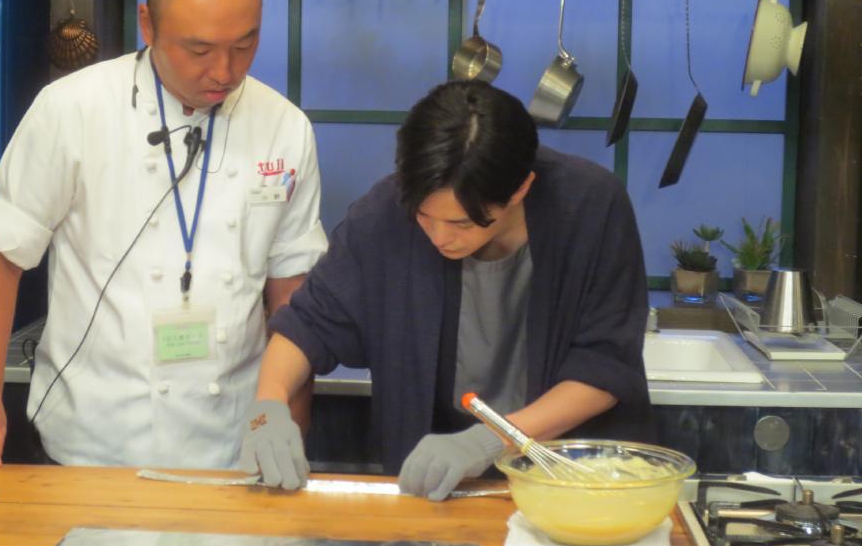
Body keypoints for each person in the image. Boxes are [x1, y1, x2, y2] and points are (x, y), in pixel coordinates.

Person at [0, 0, 327, 474]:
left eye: (245, 44)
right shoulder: (72, 109)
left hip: (231, 444)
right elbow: (0, 257)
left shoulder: (285, 127)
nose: (224, 71)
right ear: (148, 24)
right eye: (199, 50)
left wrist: (290, 422)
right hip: (89, 444)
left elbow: (292, 291)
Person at [237, 80, 654, 500]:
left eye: (463, 223)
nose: (439, 237)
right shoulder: (384, 214)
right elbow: (308, 324)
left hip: (573, 482)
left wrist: (491, 440)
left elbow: (605, 365)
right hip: (435, 486)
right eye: (424, 216)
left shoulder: (590, 209)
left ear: (520, 189)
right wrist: (270, 402)